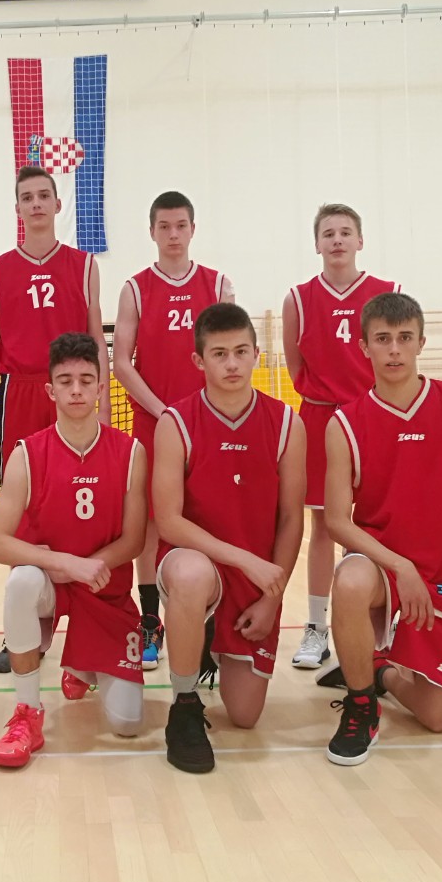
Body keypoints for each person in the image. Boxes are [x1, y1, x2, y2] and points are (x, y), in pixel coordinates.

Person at [321, 292, 442, 766]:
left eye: (404, 338)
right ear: (364, 346)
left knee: (437, 717)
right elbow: (336, 520)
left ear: (421, 342)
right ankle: (361, 704)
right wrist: (400, 566)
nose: (394, 349)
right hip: (385, 568)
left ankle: (381, 671)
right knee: (349, 581)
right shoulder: (344, 423)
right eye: (382, 339)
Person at [152, 303, 305, 773]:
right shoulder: (175, 422)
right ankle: (184, 705)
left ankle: (207, 639)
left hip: (254, 584)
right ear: (199, 361)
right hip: (197, 566)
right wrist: (243, 560)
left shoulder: (286, 423)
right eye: (219, 354)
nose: (232, 363)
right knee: (192, 574)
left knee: (244, 716)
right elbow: (168, 521)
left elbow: (291, 519)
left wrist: (272, 599)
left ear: (257, 354)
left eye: (241, 351)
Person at [0, 333, 147, 769]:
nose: (76, 390)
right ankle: (27, 713)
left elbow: (134, 541)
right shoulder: (26, 454)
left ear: (100, 388)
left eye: (86, 380)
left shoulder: (131, 452)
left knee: (128, 723)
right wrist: (62, 563)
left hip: (104, 589)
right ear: (50, 390)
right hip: (51, 586)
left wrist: (87, 566)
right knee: (22, 581)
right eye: (66, 381)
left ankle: (81, 666)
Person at [0, 166, 111, 673]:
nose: (35, 204)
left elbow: (96, 336)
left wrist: (101, 395)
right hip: (20, 390)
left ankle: (90, 619)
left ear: (57, 204)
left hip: (72, 389)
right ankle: (26, 622)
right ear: (17, 209)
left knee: (84, 502)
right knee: (22, 512)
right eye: (26, 197)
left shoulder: (84, 264)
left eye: (43, 196)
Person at [112, 191, 234, 671]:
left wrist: (201, 413)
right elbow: (121, 363)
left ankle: (210, 617)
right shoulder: (136, 288)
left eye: (181, 225)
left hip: (208, 424)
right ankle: (150, 620)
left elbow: (229, 353)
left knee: (210, 516)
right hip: (154, 421)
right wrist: (165, 412)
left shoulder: (217, 284)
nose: (173, 234)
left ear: (193, 229)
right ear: (152, 232)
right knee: (148, 523)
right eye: (164, 226)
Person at [282, 204, 400, 670]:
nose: (337, 240)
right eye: (328, 233)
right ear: (316, 244)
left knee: (375, 522)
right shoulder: (298, 298)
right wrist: (322, 395)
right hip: (320, 417)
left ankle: (377, 626)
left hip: (374, 418)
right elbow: (295, 365)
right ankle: (316, 627)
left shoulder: (386, 292)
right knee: (323, 526)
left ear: (360, 241)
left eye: (345, 232)